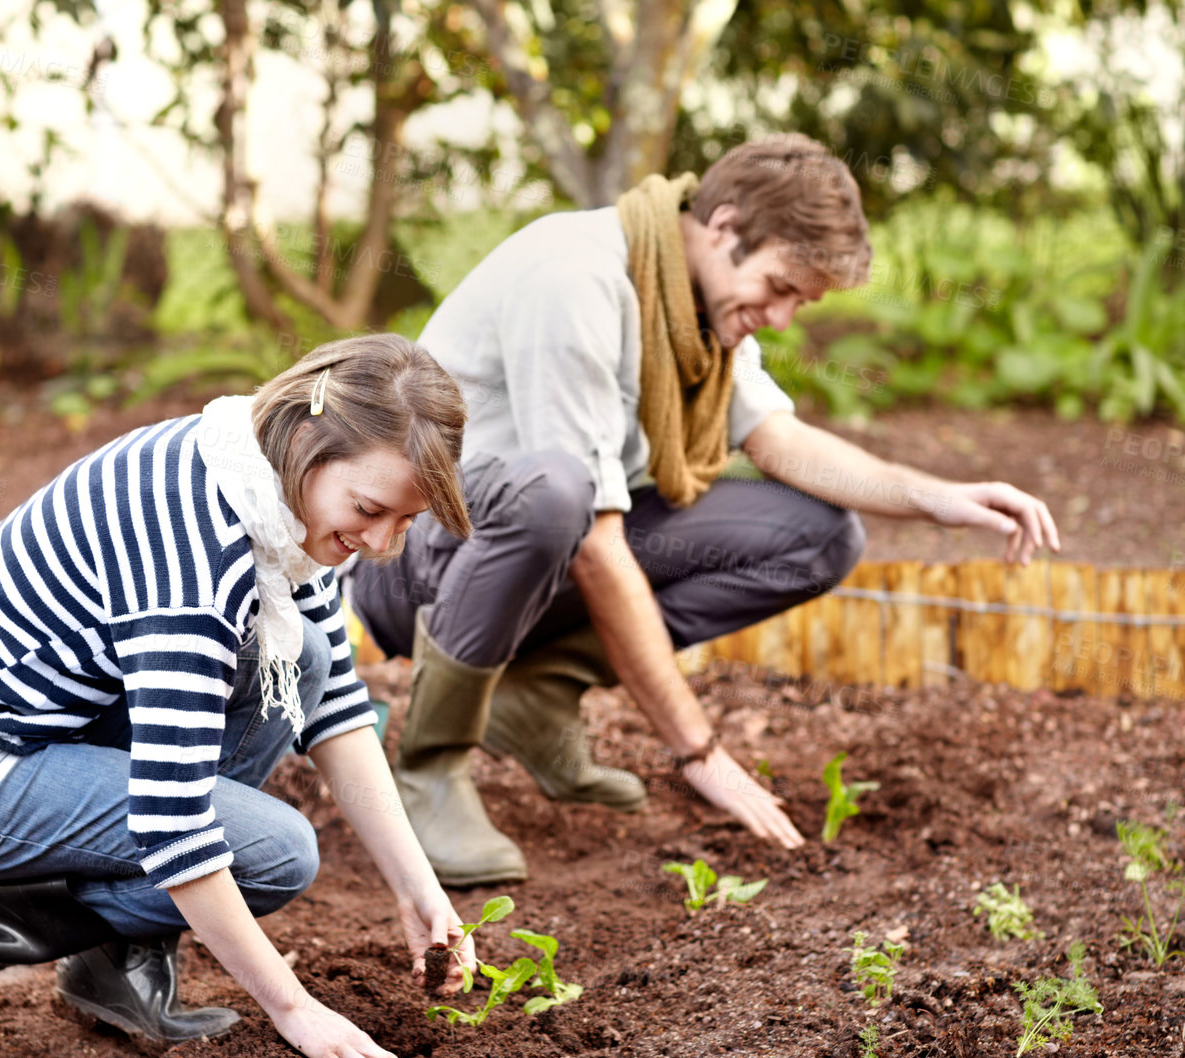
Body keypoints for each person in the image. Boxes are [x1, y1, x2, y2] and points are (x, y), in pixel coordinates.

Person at [349, 133, 1062, 887]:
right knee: (558, 493)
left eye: (800, 301)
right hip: (419, 558)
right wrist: (700, 752)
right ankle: (430, 767)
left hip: (537, 550)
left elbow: (777, 439)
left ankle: (533, 692)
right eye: (781, 287)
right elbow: (593, 540)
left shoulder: (690, 300)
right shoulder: (574, 280)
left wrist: (936, 498)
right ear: (723, 228)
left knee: (815, 536)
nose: (783, 317)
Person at [0, 333, 475, 1058]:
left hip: (49, 725)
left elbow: (335, 701)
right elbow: (174, 821)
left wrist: (420, 889)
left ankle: (115, 960)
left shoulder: (262, 483)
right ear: (310, 438)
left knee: (304, 657)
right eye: (370, 509)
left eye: (405, 522)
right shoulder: (195, 550)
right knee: (276, 851)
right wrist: (295, 1008)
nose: (379, 543)